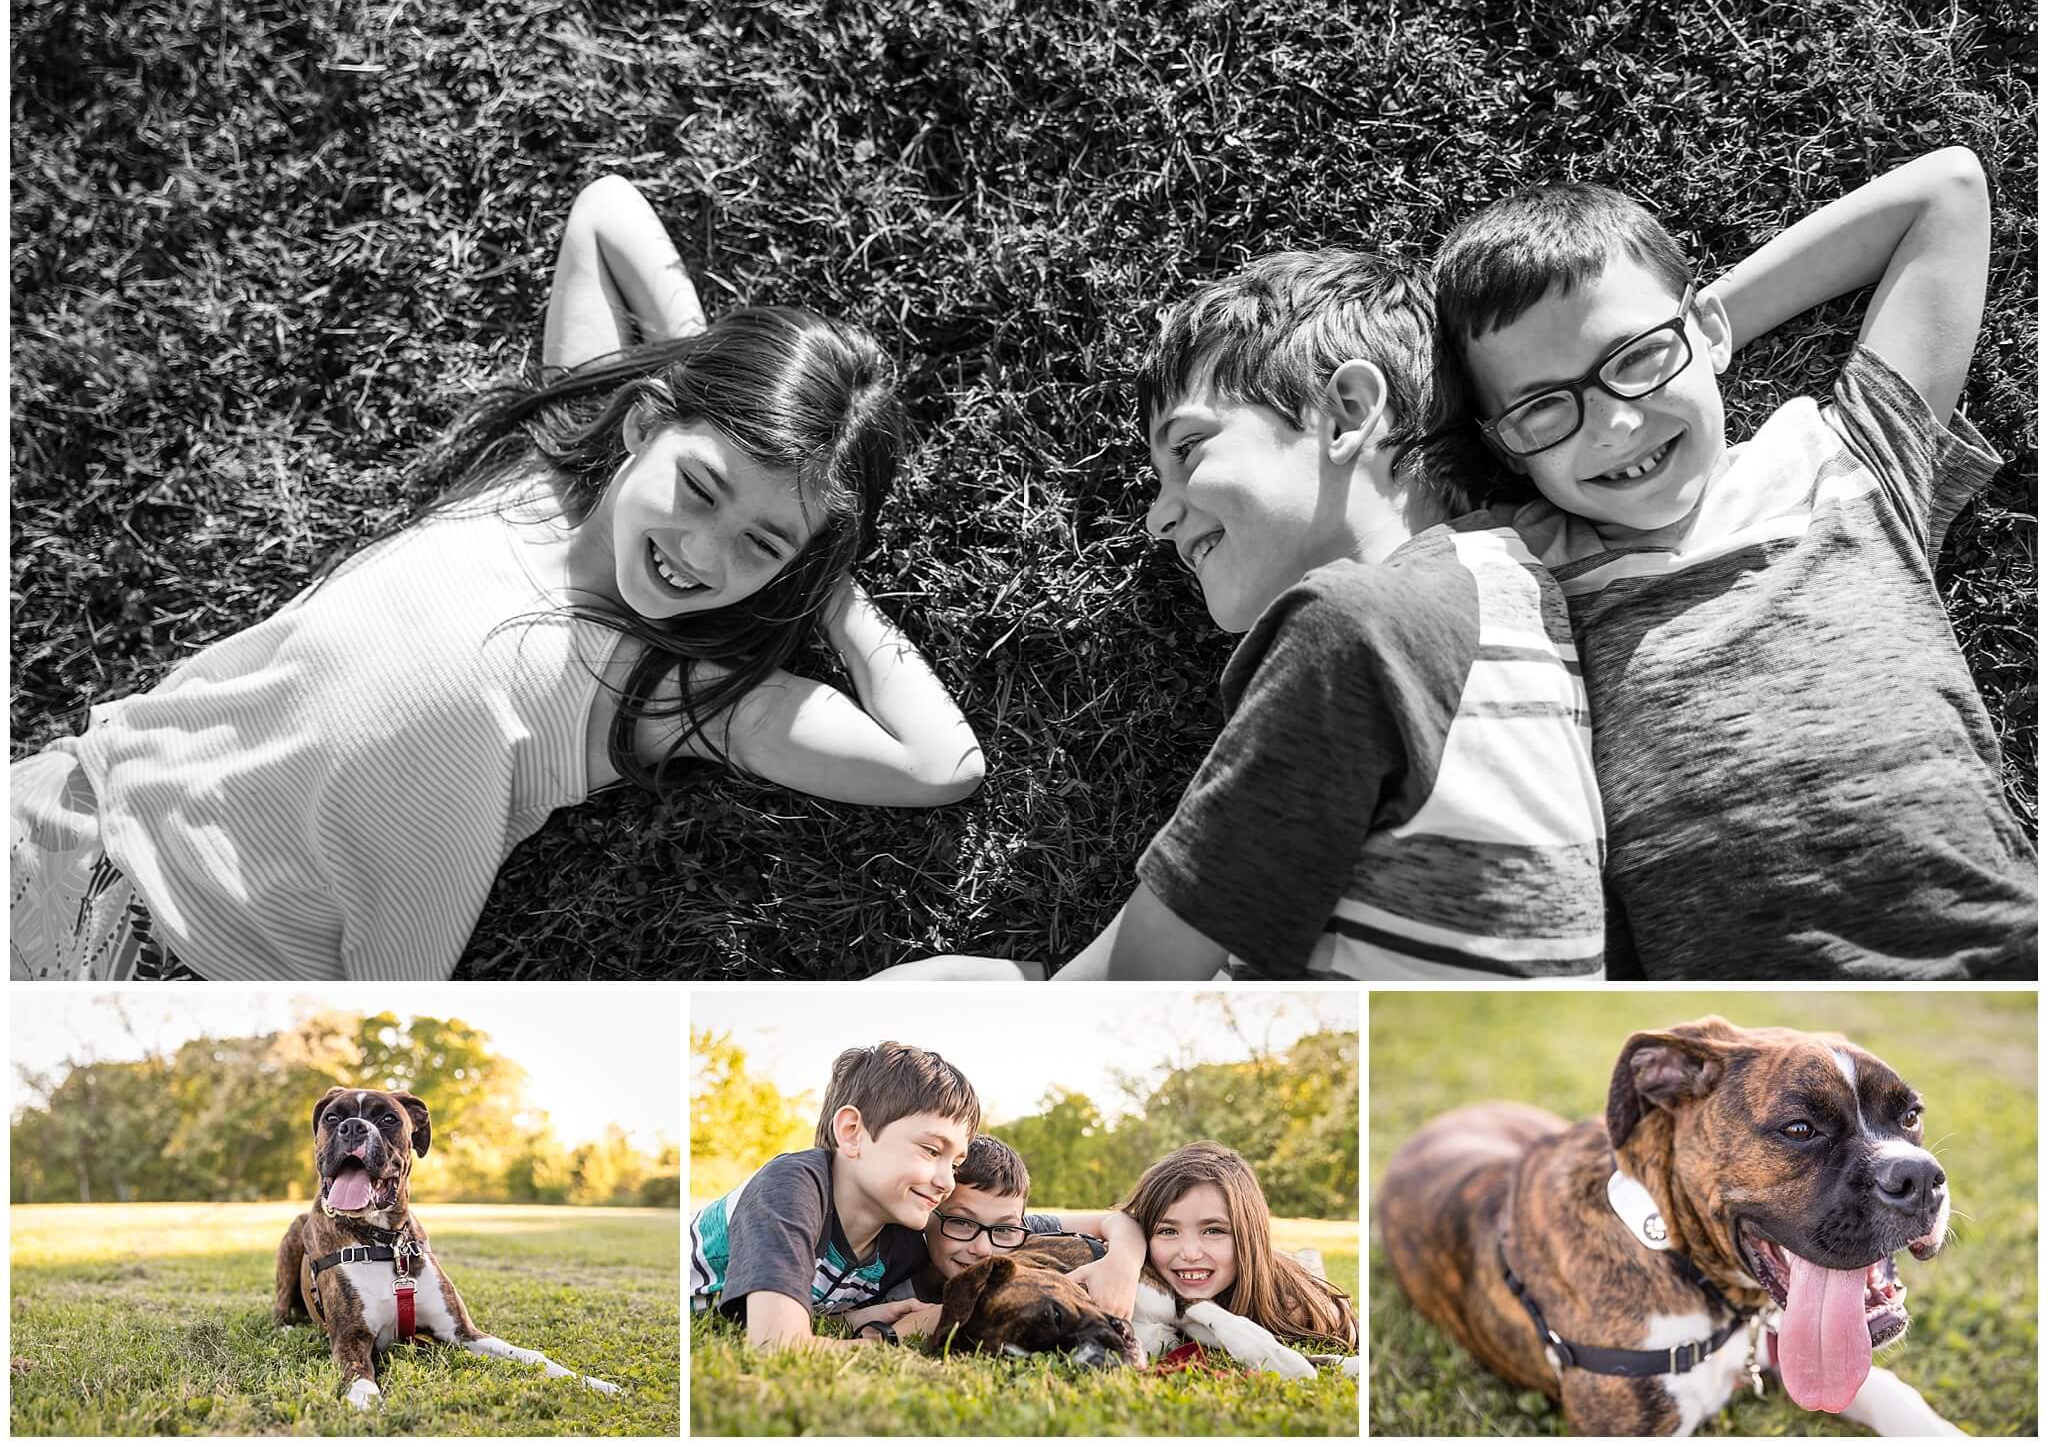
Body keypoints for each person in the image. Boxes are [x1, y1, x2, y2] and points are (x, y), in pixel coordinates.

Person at [10, 174, 985, 981]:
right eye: (700, 484)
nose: (703, 550)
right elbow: (606, 214)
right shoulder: (543, 473)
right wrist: (707, 370)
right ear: (646, 424)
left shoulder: (660, 691)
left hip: (178, 971)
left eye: (760, 545)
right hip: (71, 813)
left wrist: (828, 587)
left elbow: (941, 765)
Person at [875, 249, 1605, 980]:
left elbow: (1143, 988)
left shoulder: (1351, 625)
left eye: (1189, 449)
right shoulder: (1524, 573)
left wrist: (1001, 993)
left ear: (1348, 413)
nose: (1159, 519)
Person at [1425, 146, 2035, 978]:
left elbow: (1949, 190)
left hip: (1993, 958)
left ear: (1704, 330)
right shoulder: (1519, 567)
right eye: (1543, 409)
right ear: (1503, 445)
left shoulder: (1848, 455)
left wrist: (1705, 327)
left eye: (1635, 360)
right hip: (1727, 995)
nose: (1613, 426)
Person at [688, 1041, 980, 1353]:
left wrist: (851, 1319)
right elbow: (774, 1344)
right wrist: (886, 1339)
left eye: (955, 1164)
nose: (947, 1181)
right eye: (931, 1150)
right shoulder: (789, 1188)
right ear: (852, 1131)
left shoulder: (903, 1242)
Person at [844, 1133, 1142, 1334]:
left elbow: (1117, 1220)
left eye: (1002, 1228)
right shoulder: (893, 1251)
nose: (983, 1249)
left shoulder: (1013, 1233)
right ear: (929, 1208)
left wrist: (1123, 1265)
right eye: (962, 1222)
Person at [1125, 1142, 1357, 1352]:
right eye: (1168, 1231)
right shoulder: (1142, 1275)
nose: (1190, 1254)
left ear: (1248, 1236)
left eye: (1213, 1230)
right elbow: (1105, 1220)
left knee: (1309, 1271)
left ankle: (1308, 1260)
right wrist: (1120, 1252)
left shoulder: (1290, 1306)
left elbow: (1345, 1324)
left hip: (1280, 1272)